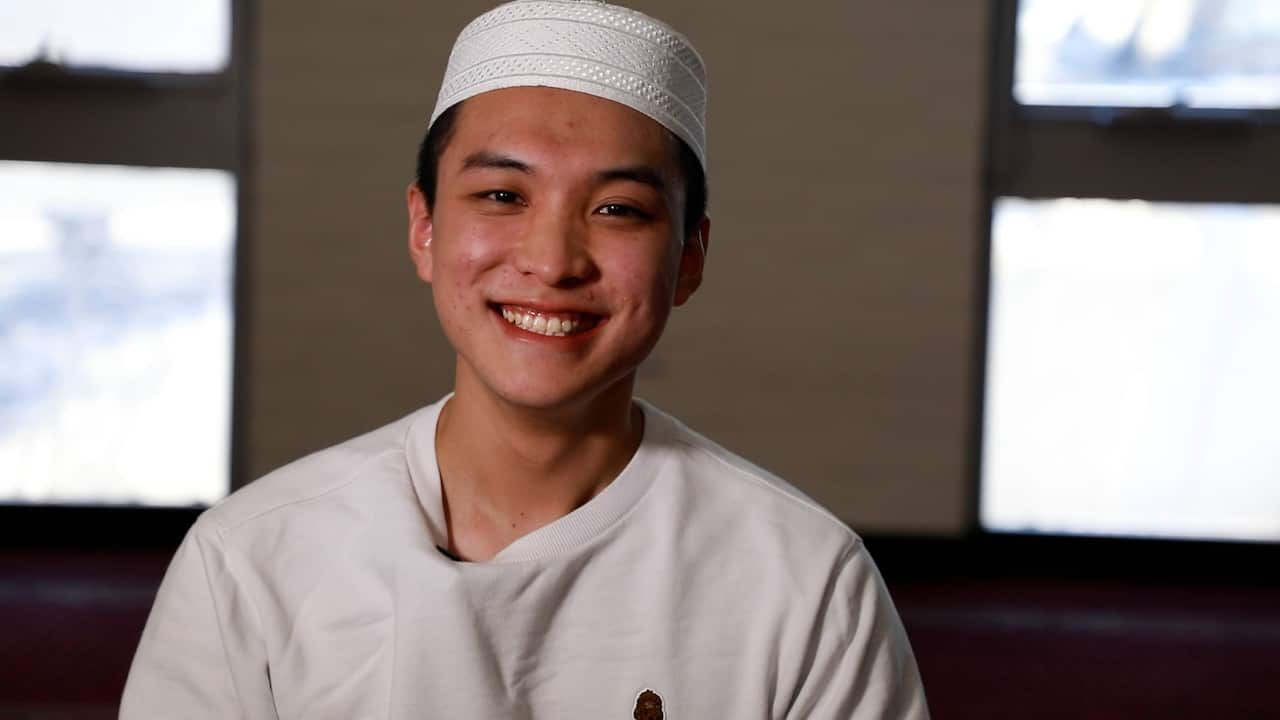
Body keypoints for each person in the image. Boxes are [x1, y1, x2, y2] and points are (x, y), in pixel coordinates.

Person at [120, 1, 930, 717]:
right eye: (503, 196)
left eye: (619, 209)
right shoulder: (252, 560)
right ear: (424, 229)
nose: (553, 260)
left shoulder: (805, 581)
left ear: (689, 259)